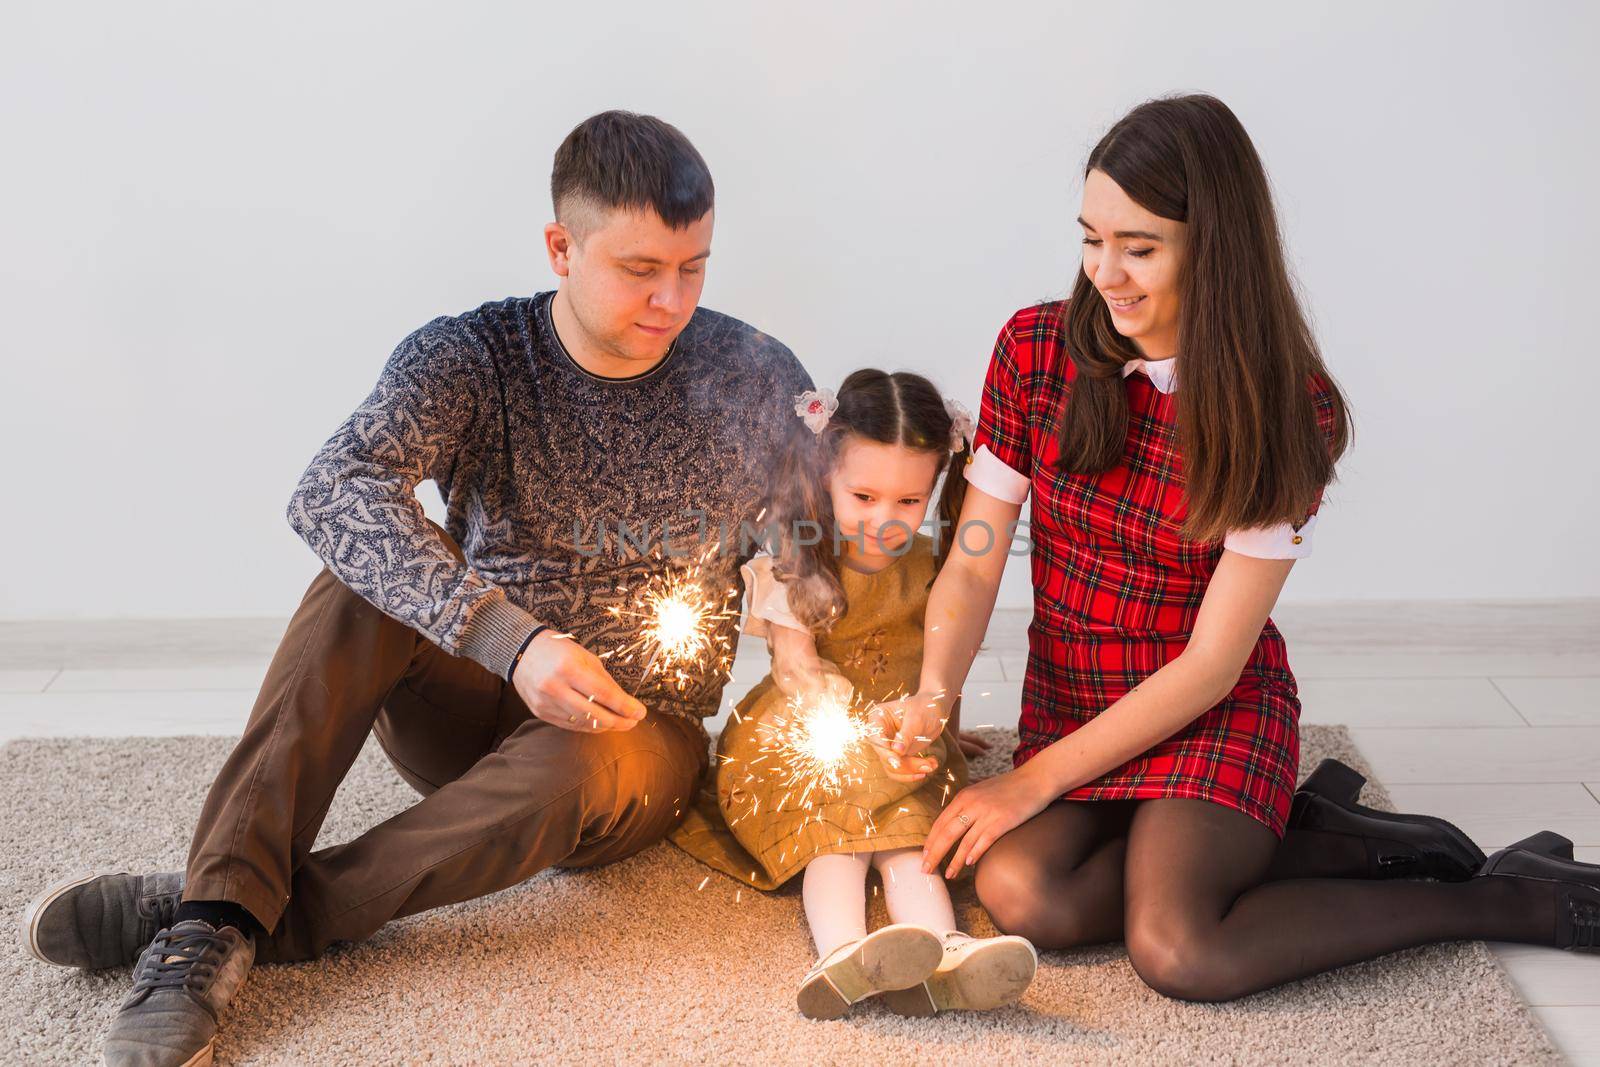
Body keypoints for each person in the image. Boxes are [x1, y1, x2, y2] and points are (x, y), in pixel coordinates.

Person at [21, 109, 812, 1066]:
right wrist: (510, 641)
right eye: (640, 269)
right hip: (471, 697)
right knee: (354, 581)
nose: (672, 299)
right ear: (561, 246)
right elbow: (333, 487)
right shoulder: (472, 355)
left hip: (629, 746)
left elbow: (831, 541)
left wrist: (869, 667)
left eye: (694, 267)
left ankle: (220, 911)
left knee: (585, 752)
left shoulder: (756, 376)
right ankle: (224, 903)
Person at [874, 93, 1600, 1003]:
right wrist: (936, 694)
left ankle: (1505, 901)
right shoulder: (1033, 351)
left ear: (1214, 247)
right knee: (1025, 895)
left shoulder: (1285, 408)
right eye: (1091, 238)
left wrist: (1029, 784)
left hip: (1208, 709)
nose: (1106, 272)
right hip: (1076, 697)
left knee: (1180, 949)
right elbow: (976, 556)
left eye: (1139, 247)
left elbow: (1216, 662)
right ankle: (1323, 838)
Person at [670, 369, 1037, 1020]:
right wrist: (860, 732)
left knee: (910, 837)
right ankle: (841, 952)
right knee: (838, 839)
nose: (883, 520)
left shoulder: (938, 564)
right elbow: (798, 671)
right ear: (823, 476)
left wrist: (944, 724)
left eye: (907, 501)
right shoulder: (798, 557)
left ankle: (944, 951)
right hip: (816, 731)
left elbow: (943, 653)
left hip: (901, 737)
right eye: (863, 495)